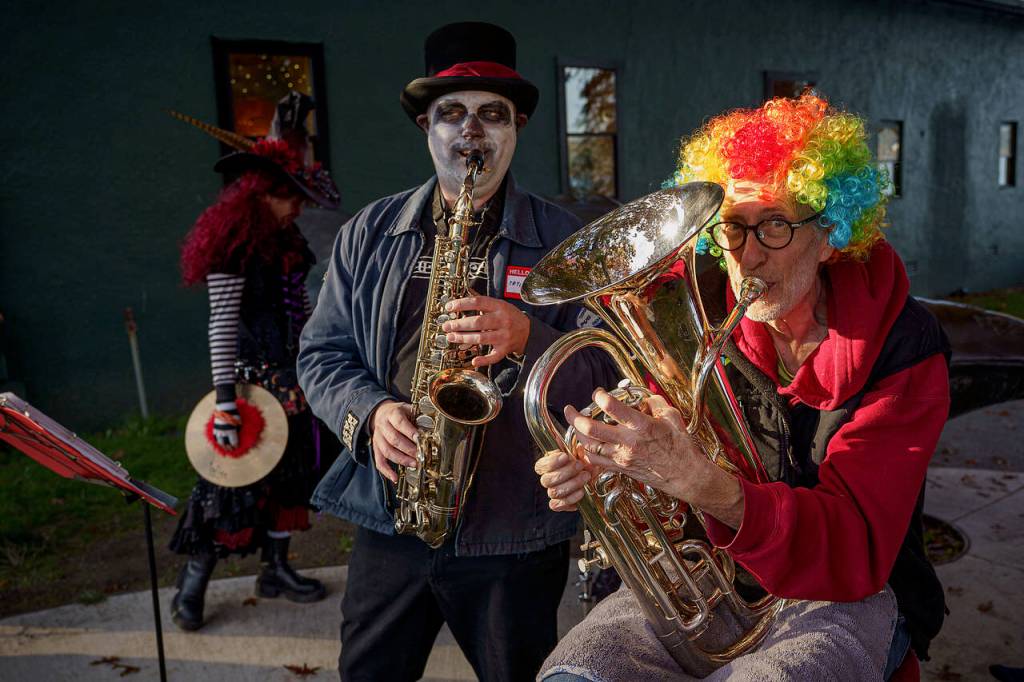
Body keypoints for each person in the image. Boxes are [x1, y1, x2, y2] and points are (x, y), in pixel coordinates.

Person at [536, 93, 951, 681]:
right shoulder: (700, 314)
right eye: (732, 227)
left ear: (830, 233)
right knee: (574, 674)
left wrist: (700, 482)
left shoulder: (904, 345)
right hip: (715, 576)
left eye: (776, 225)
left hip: (852, 590)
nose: (748, 256)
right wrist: (616, 470)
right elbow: (674, 501)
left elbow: (855, 549)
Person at [297, 21, 614, 682]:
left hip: (515, 531)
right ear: (427, 128)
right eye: (452, 114)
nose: (471, 130)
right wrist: (372, 413)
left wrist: (532, 338)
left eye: (492, 114)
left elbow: (610, 371)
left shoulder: (566, 239)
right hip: (393, 519)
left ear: (518, 126)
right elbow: (321, 356)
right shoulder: (370, 233)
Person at [169, 116, 342, 631]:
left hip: (291, 384)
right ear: (263, 195)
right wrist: (225, 401)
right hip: (248, 386)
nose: (299, 207)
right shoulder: (232, 245)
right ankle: (193, 582)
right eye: (290, 197)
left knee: (292, 479)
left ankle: (276, 570)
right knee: (229, 485)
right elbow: (221, 324)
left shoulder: (287, 243)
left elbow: (299, 310)